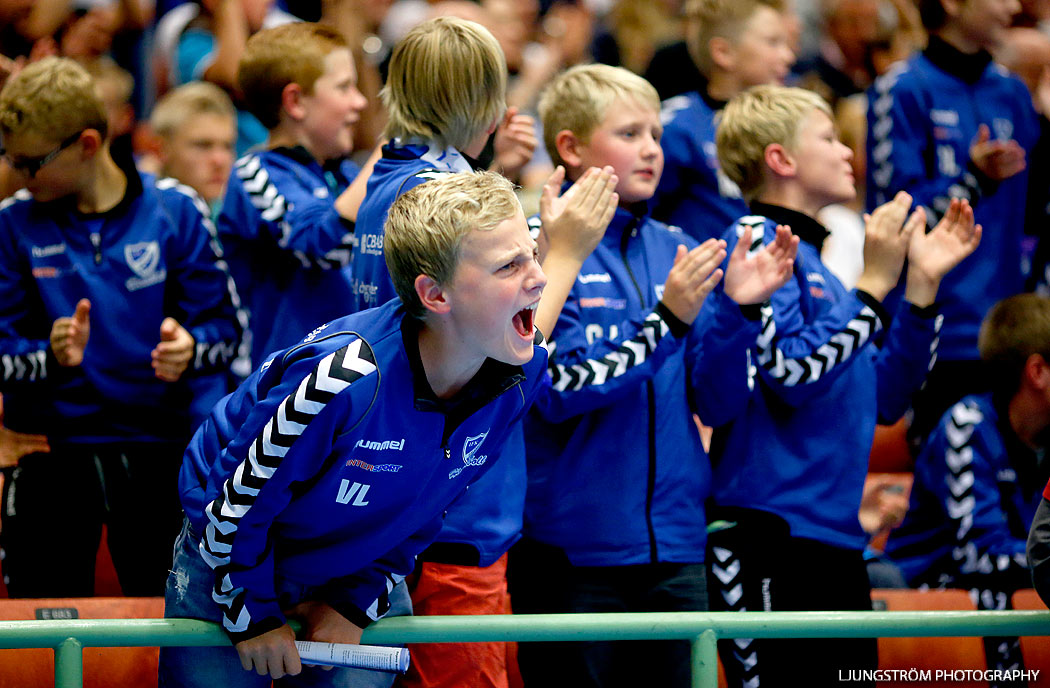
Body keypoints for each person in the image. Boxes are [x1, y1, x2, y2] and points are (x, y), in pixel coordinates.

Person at [158, 170, 551, 688]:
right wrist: (253, 615)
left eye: (533, 254)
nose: (539, 277)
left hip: (355, 565)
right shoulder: (341, 382)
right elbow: (234, 504)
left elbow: (428, 506)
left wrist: (355, 603)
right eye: (509, 265)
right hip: (230, 555)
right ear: (435, 295)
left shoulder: (524, 369)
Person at [344, 17, 623, 688]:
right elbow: (507, 351)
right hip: (451, 508)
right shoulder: (439, 194)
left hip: (404, 497)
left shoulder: (386, 183)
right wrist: (567, 252)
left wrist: (487, 171)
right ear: (488, 107)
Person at [510, 64, 799, 688]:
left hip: (676, 550)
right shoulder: (537, 248)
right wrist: (668, 321)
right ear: (570, 146)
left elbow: (716, 403)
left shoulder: (677, 245)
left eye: (657, 136)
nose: (651, 149)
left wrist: (738, 316)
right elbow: (552, 392)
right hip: (572, 554)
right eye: (630, 133)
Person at [705, 85, 981, 687]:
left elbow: (884, 400)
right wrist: (874, 286)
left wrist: (919, 291)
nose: (845, 150)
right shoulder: (754, 242)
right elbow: (792, 374)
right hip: (769, 537)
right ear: (782, 160)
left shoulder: (823, 271)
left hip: (833, 541)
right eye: (828, 137)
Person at [0, 56, 242, 597]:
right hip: (49, 455)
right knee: (39, 643)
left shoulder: (176, 212)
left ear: (87, 144)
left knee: (171, 630)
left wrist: (190, 349)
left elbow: (227, 333)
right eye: (10, 158)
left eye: (31, 161)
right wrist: (49, 354)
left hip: (161, 452)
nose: (18, 173)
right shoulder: (12, 223)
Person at [865, 0, 1050, 445]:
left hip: (1011, 333)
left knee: (1019, 496)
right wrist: (972, 179)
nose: (1013, 5)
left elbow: (1035, 213)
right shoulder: (903, 89)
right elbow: (897, 221)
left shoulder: (1012, 92)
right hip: (938, 335)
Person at [888, 293, 1050, 680]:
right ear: (1038, 372)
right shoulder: (966, 426)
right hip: (932, 584)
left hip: (1013, 582)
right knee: (998, 601)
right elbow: (978, 557)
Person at [217, 22, 368, 373]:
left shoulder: (344, 175)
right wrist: (389, 153)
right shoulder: (254, 173)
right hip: (282, 388)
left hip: (352, 376)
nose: (359, 102)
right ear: (296, 101)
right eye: (344, 87)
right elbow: (321, 245)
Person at [649, 0, 795, 243]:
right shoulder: (675, 127)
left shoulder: (789, 123)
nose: (788, 56)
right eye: (773, 42)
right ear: (723, 52)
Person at [149, 80, 237, 215]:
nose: (220, 160)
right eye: (203, 145)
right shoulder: (143, 223)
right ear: (161, 149)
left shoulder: (237, 220)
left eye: (227, 146)